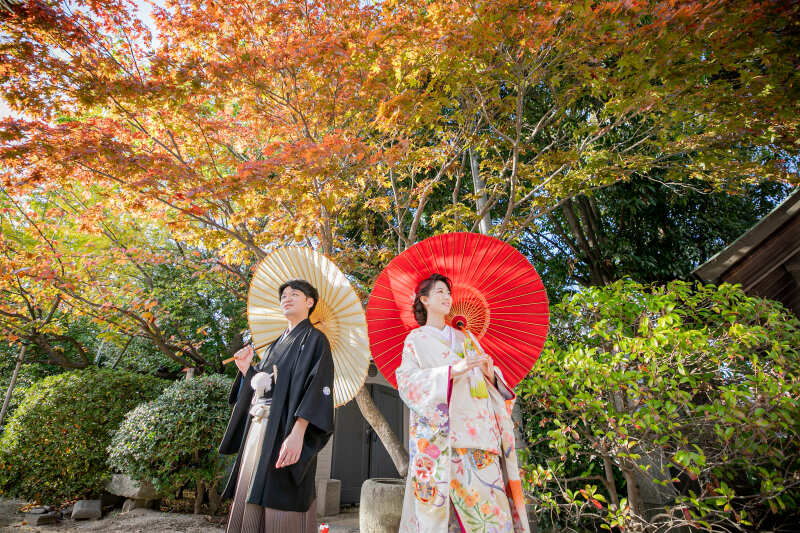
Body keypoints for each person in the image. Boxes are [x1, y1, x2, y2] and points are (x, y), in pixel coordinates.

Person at [395, 273, 530, 533]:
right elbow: (407, 383)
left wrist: (490, 373)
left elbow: (490, 382)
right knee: (433, 516)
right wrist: (450, 372)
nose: (447, 297)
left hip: (478, 435)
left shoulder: (466, 337)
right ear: (424, 300)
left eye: (448, 292)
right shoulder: (416, 340)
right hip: (439, 440)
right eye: (440, 292)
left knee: (491, 512)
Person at [219, 279, 335, 533]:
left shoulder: (316, 340)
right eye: (283, 295)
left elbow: (317, 388)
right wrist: (247, 369)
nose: (287, 298)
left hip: (286, 430)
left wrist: (298, 433)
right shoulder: (273, 345)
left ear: (310, 302)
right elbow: (262, 387)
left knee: (280, 493)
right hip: (259, 428)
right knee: (252, 485)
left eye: (295, 294)